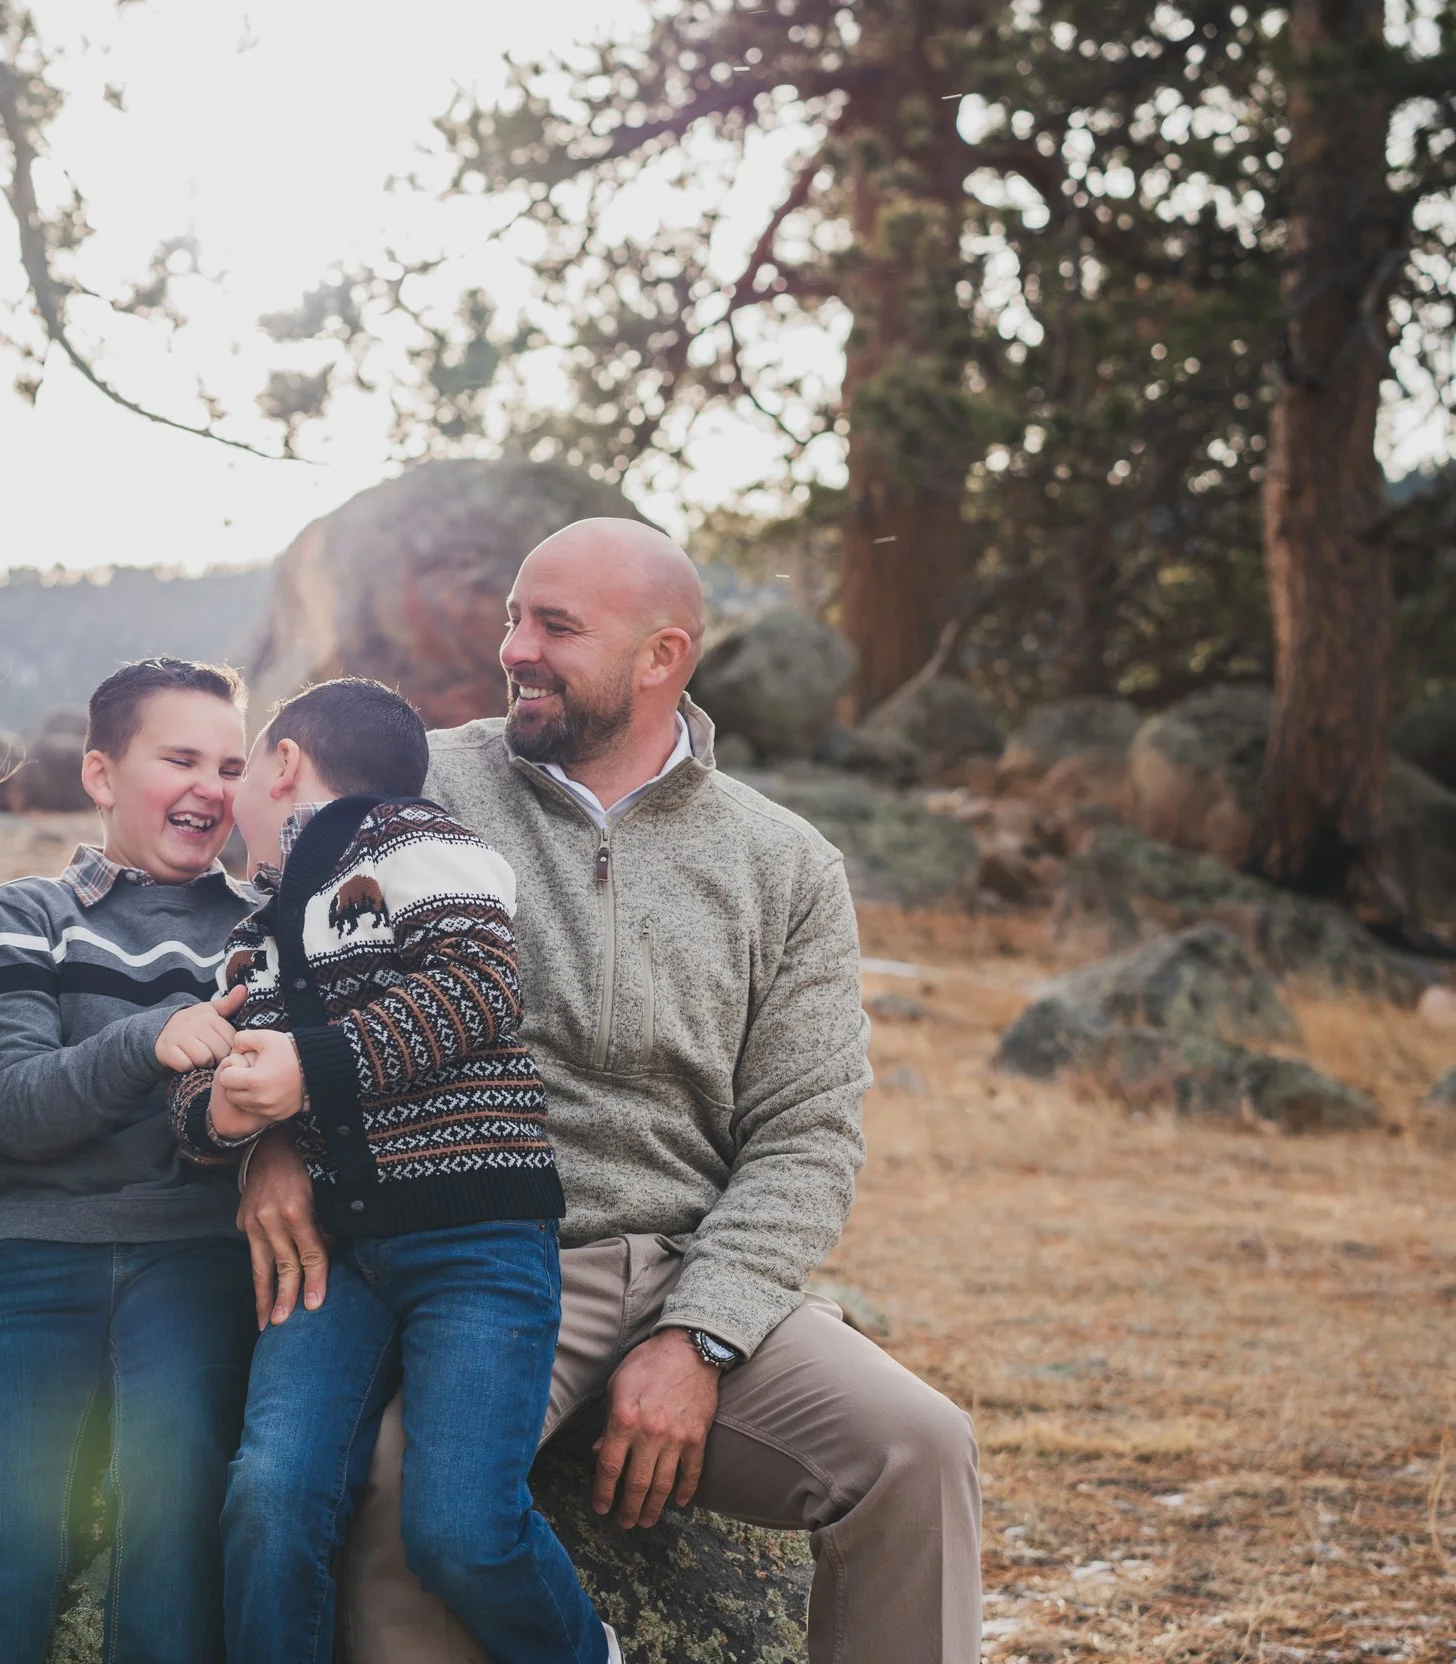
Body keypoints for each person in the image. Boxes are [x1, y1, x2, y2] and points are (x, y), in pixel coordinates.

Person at [240, 521, 983, 1664]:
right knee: (396, 1490)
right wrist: (271, 1141)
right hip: (480, 1255)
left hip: (691, 1262)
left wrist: (703, 1332)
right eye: (511, 618)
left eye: (554, 627)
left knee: (917, 1447)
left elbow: (808, 1133)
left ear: (659, 656)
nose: (515, 650)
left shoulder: (781, 863)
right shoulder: (421, 783)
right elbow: (274, 955)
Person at [170, 677, 618, 1664]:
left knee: (459, 1527)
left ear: (287, 763)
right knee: (269, 1492)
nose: (228, 799)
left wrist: (304, 1068)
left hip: (476, 1241)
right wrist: (223, 1114)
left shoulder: (419, 841)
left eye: (243, 767)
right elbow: (212, 1099)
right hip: (334, 1258)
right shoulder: (260, 933)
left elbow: (476, 986)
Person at [0, 659, 262, 1664]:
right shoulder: (29, 915)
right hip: (30, 1257)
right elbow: (13, 1108)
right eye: (179, 757)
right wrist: (149, 1038)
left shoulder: (261, 931)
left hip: (198, 1255)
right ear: (101, 774)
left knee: (177, 1512)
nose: (209, 786)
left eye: (229, 764)